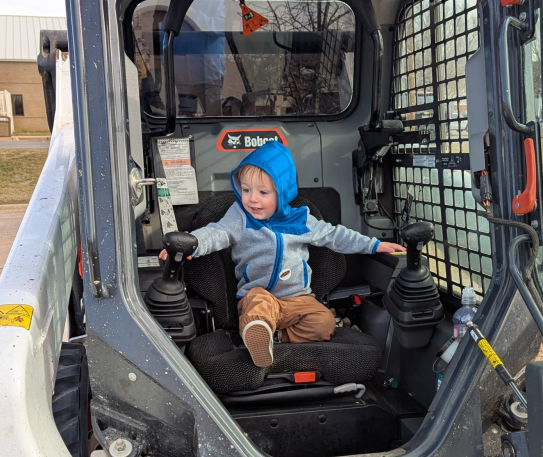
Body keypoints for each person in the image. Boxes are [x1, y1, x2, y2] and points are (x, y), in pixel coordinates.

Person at [160, 141, 405, 367]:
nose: (252, 199)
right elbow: (215, 233)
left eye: (262, 193)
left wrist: (374, 245)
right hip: (260, 295)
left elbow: (336, 236)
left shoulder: (301, 220)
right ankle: (258, 332)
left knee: (324, 323)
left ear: (283, 192)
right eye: (245, 190)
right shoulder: (239, 217)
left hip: (300, 299)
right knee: (257, 307)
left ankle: (274, 337)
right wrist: (192, 243)